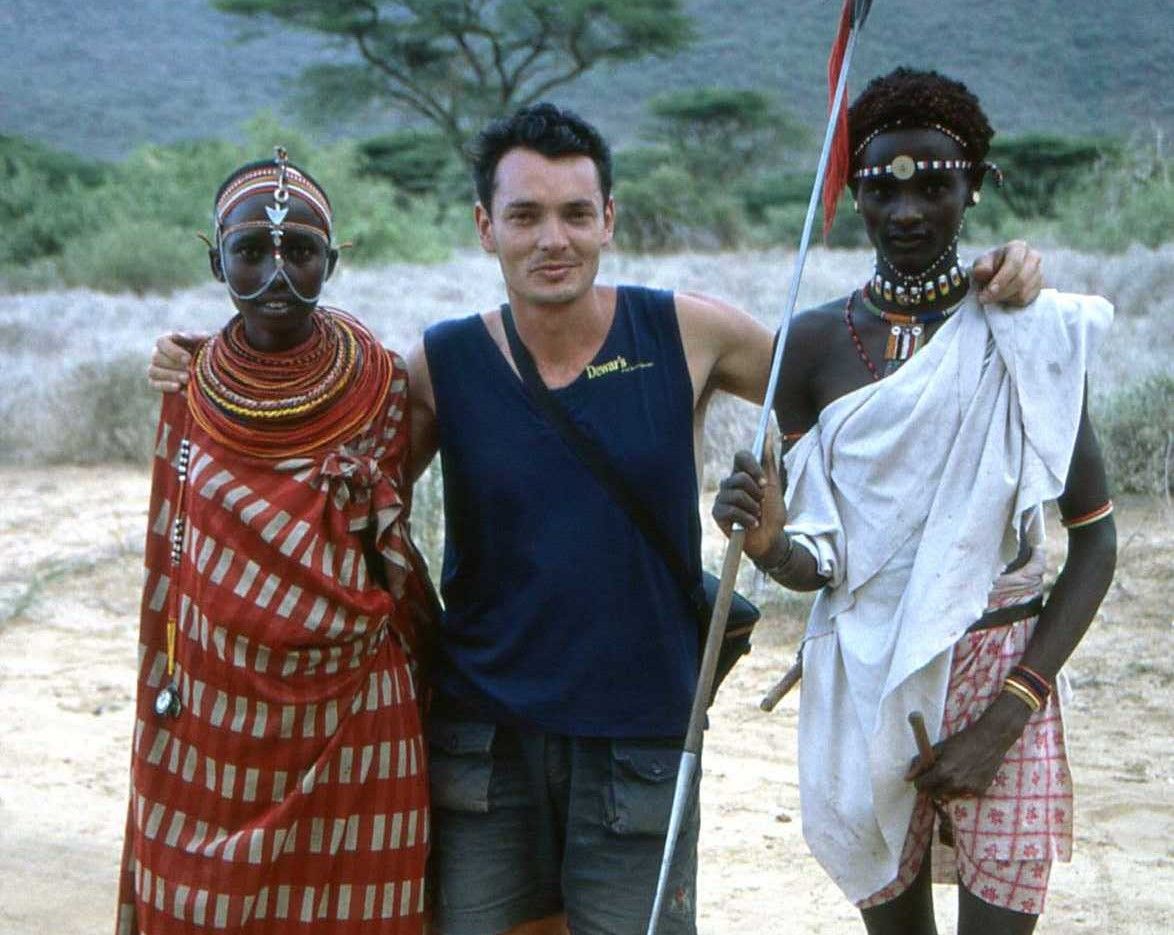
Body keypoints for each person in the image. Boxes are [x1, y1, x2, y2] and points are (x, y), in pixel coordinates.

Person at [147, 104, 1044, 934]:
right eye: (527, 215)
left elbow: (865, 388)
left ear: (609, 219)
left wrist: (978, 294)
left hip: (643, 741)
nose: (554, 239)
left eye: (576, 214)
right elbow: (321, 471)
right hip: (482, 748)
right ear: (484, 227)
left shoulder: (687, 334)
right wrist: (219, 367)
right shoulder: (441, 362)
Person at [712, 68, 1116, 935]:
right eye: (881, 186)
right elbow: (821, 563)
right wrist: (771, 542)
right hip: (867, 677)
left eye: (935, 183)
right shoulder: (813, 344)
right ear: (853, 194)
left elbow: (1096, 542)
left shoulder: (1026, 328)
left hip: (1003, 672)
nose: (907, 211)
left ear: (974, 188)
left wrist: (1008, 714)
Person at [117, 150, 432, 933]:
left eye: (300, 252)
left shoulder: (382, 383)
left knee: (361, 901)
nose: (276, 275)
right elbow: (175, 557)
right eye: (250, 252)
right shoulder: (189, 385)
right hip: (215, 707)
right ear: (214, 257)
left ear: (333, 259)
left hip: (355, 699)